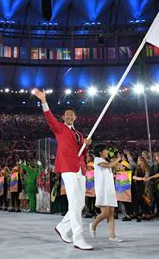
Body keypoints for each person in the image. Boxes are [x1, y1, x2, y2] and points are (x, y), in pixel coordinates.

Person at [33, 88, 93, 251]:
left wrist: (86, 145)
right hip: (67, 168)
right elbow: (49, 118)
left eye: (72, 115)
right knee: (74, 203)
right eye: (67, 114)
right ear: (63, 117)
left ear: (75, 117)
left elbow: (82, 153)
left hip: (80, 169)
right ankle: (78, 238)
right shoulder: (59, 128)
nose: (69, 116)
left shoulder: (79, 134)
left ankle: (62, 227)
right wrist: (44, 101)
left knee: (79, 204)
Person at [89, 145, 122, 242]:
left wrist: (116, 160)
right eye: (106, 150)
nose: (107, 151)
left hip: (110, 189)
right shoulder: (97, 160)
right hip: (102, 190)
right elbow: (107, 166)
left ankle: (112, 236)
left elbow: (114, 167)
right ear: (100, 152)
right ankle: (93, 225)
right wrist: (118, 159)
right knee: (105, 212)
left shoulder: (107, 160)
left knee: (111, 213)